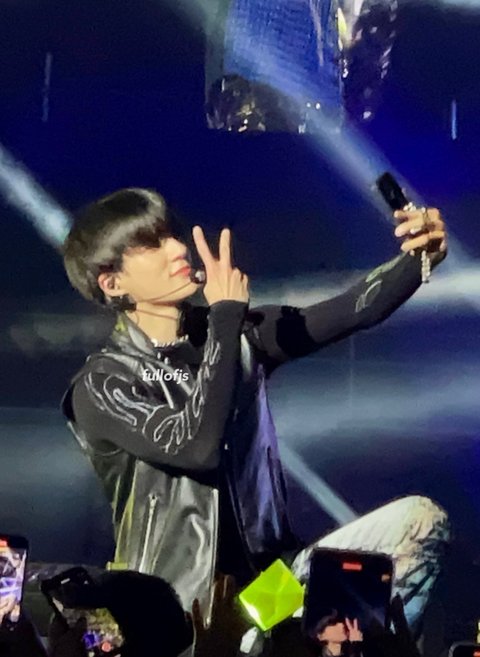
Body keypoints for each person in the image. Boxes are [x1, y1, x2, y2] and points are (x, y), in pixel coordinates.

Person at [61, 187, 449, 629]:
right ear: (113, 283)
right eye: (152, 244)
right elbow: (196, 447)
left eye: (171, 235)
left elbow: (352, 310)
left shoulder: (239, 336)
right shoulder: (103, 383)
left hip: (269, 594)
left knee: (420, 521)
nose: (177, 249)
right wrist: (225, 317)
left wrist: (420, 259)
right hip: (187, 617)